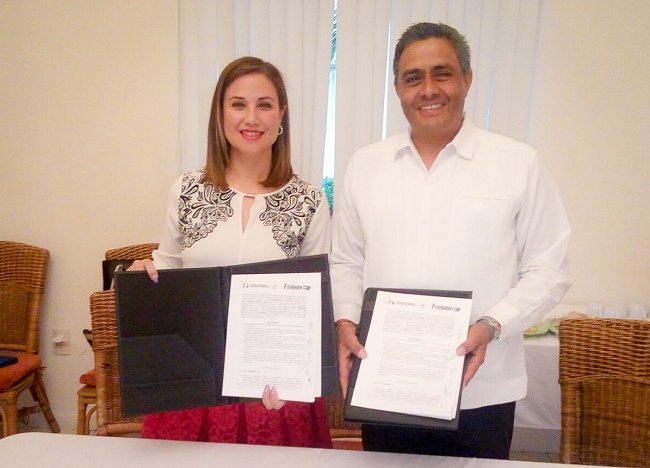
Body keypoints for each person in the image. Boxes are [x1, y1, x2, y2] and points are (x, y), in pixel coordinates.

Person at [330, 22, 571, 459]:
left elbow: (549, 268)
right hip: (386, 381)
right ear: (398, 88)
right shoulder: (365, 166)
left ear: (467, 79)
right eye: (413, 78)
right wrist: (345, 324)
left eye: (442, 73)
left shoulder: (518, 163)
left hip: (481, 386)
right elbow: (346, 260)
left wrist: (491, 326)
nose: (428, 89)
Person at [129, 56, 332, 448]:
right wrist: (144, 274)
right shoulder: (186, 190)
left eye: (264, 104)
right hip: (194, 383)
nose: (251, 118)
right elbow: (167, 269)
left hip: (274, 392)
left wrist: (294, 374)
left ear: (281, 114)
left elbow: (316, 302)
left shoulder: (309, 200)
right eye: (238, 104)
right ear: (220, 113)